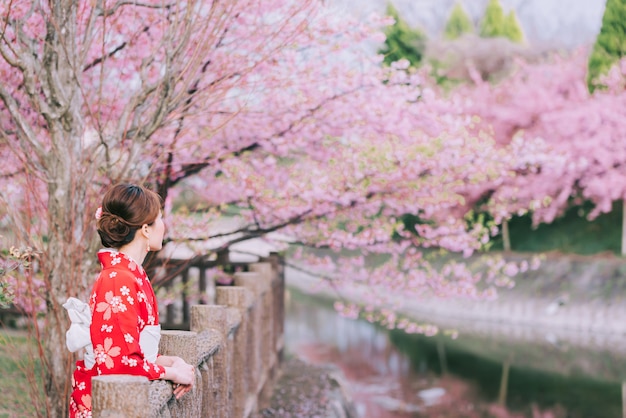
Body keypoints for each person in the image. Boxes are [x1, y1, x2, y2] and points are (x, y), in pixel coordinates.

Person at [65, 183, 195, 418]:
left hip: (124, 399)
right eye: (160, 219)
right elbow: (119, 364)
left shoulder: (129, 274)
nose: (164, 226)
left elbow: (136, 353)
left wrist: (175, 362)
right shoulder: (118, 279)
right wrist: (173, 374)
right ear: (145, 229)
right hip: (110, 405)